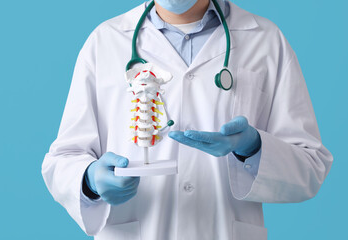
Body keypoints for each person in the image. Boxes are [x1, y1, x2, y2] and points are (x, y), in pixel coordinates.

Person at [41, 0, 333, 239]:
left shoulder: (266, 40)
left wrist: (253, 148)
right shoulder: (105, 42)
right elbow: (64, 159)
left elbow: (310, 165)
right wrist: (90, 180)